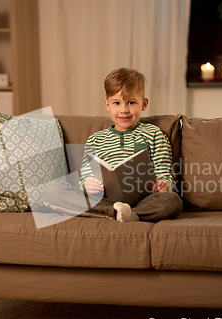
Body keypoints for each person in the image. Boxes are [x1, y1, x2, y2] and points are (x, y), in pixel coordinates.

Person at [44, 68, 182, 222]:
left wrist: (163, 185)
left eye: (131, 102)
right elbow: (86, 175)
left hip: (144, 200)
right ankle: (116, 212)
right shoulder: (95, 140)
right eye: (116, 103)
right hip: (105, 200)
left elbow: (164, 172)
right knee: (52, 191)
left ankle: (131, 214)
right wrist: (88, 185)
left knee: (172, 200)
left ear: (144, 104)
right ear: (107, 105)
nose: (124, 110)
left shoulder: (154, 134)